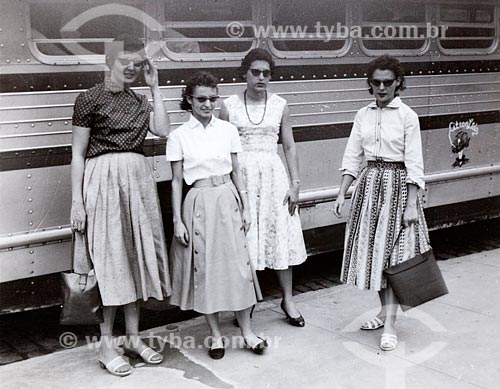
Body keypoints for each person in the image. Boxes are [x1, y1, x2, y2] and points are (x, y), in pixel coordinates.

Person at [70, 34, 172, 376]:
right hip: (102, 183)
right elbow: (77, 155)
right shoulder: (88, 100)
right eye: (124, 62)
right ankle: (105, 344)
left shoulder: (142, 101)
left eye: (137, 63)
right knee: (110, 260)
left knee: (135, 258)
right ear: (108, 62)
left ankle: (132, 338)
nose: (131, 69)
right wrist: (77, 202)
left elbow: (162, 129)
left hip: (137, 184)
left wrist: (156, 88)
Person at [333, 55, 431, 351]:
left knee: (394, 259)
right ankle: (383, 313)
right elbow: (352, 156)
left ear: (398, 83)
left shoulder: (407, 116)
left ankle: (390, 324)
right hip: (369, 185)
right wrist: (342, 192)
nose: (381, 87)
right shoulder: (363, 114)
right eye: (376, 82)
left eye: (387, 82)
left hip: (398, 188)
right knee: (375, 256)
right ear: (370, 84)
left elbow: (414, 162)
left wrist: (412, 204)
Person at [167, 71, 267, 359]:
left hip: (227, 198)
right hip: (197, 203)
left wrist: (246, 207)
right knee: (206, 269)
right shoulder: (178, 136)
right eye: (201, 99)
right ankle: (216, 336)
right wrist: (177, 220)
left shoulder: (228, 130)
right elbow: (176, 181)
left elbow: (237, 171)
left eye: (213, 98)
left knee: (238, 267)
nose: (208, 104)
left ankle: (247, 331)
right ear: (189, 100)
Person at [220, 48, 307, 327]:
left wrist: (295, 184)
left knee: (280, 235)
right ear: (245, 73)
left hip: (273, 178)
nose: (261, 77)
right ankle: (246, 302)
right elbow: (221, 148)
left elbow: (290, 146)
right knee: (245, 240)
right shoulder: (229, 105)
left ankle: (288, 300)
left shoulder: (281, 104)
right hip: (241, 178)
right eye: (255, 72)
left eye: (266, 73)